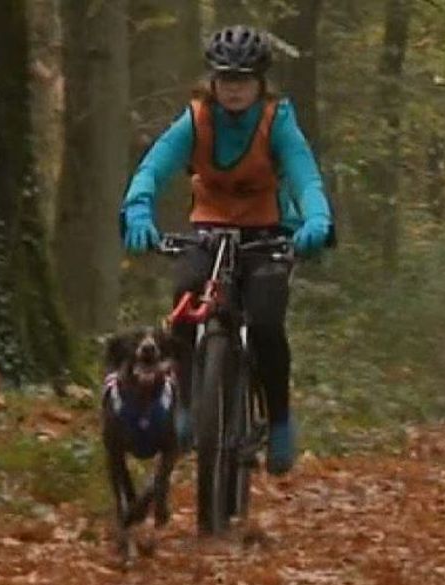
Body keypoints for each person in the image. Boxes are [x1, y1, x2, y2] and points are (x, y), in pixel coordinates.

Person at [119, 24, 333, 475]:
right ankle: (185, 404)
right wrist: (137, 209)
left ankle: (277, 422)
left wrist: (316, 219)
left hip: (267, 232)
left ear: (260, 83)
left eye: (244, 80)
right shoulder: (195, 120)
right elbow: (153, 167)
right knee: (183, 300)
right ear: (213, 80)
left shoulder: (278, 120)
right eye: (226, 79)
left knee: (266, 322)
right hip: (208, 230)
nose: (234, 89)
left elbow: (304, 175)